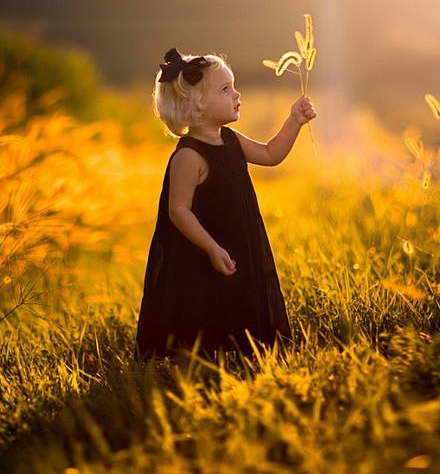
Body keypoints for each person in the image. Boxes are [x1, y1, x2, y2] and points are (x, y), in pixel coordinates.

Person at [134, 47, 317, 363]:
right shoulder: (189, 156)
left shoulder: (230, 140)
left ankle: (239, 355)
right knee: (202, 304)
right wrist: (211, 248)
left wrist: (294, 122)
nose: (237, 94)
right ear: (196, 105)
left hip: (237, 240)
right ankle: (194, 364)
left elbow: (271, 154)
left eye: (233, 86)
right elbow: (178, 210)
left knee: (238, 295)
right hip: (202, 249)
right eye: (224, 89)